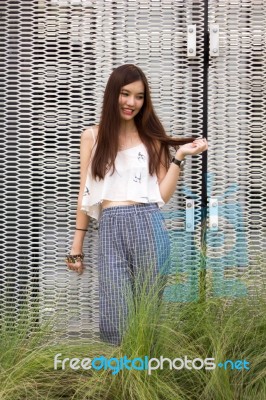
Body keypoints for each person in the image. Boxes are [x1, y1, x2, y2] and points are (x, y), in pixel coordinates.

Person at [65, 64, 208, 345]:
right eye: (125, 94)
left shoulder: (151, 138)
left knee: (147, 315)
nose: (132, 102)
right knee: (114, 313)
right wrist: (75, 249)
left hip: (148, 224)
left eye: (139, 96)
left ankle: (147, 377)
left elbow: (161, 196)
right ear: (112, 94)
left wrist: (178, 157)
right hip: (110, 227)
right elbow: (85, 193)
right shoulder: (92, 136)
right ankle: (121, 380)